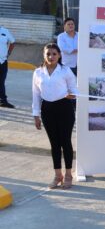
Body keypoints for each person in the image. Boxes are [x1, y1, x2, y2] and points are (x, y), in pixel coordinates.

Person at [32, 43, 77, 189]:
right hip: (47, 109)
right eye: (48, 54)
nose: (51, 57)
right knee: (54, 144)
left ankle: (68, 174)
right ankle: (58, 175)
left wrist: (73, 95)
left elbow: (74, 89)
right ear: (44, 56)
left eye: (54, 54)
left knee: (65, 141)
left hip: (64, 107)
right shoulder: (38, 72)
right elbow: (36, 95)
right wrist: (36, 115)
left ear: (59, 55)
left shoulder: (65, 71)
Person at [0, 24, 15, 108]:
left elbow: (12, 42)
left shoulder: (5, 31)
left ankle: (3, 101)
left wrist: (8, 53)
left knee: (1, 81)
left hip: (3, 61)